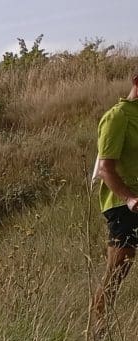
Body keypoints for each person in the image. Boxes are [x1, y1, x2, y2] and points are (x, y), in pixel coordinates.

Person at [93, 68, 138, 327]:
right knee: (119, 268)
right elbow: (105, 169)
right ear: (135, 82)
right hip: (123, 204)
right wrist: (130, 198)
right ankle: (99, 327)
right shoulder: (117, 117)